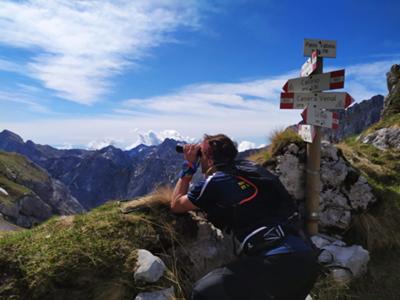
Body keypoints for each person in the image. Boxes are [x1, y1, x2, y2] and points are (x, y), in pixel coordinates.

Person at [171, 134, 319, 300]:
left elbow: (176, 204)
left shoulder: (216, 181)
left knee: (203, 292)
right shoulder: (253, 170)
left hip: (277, 262)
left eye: (201, 153)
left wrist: (189, 165)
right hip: (306, 257)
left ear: (210, 160)